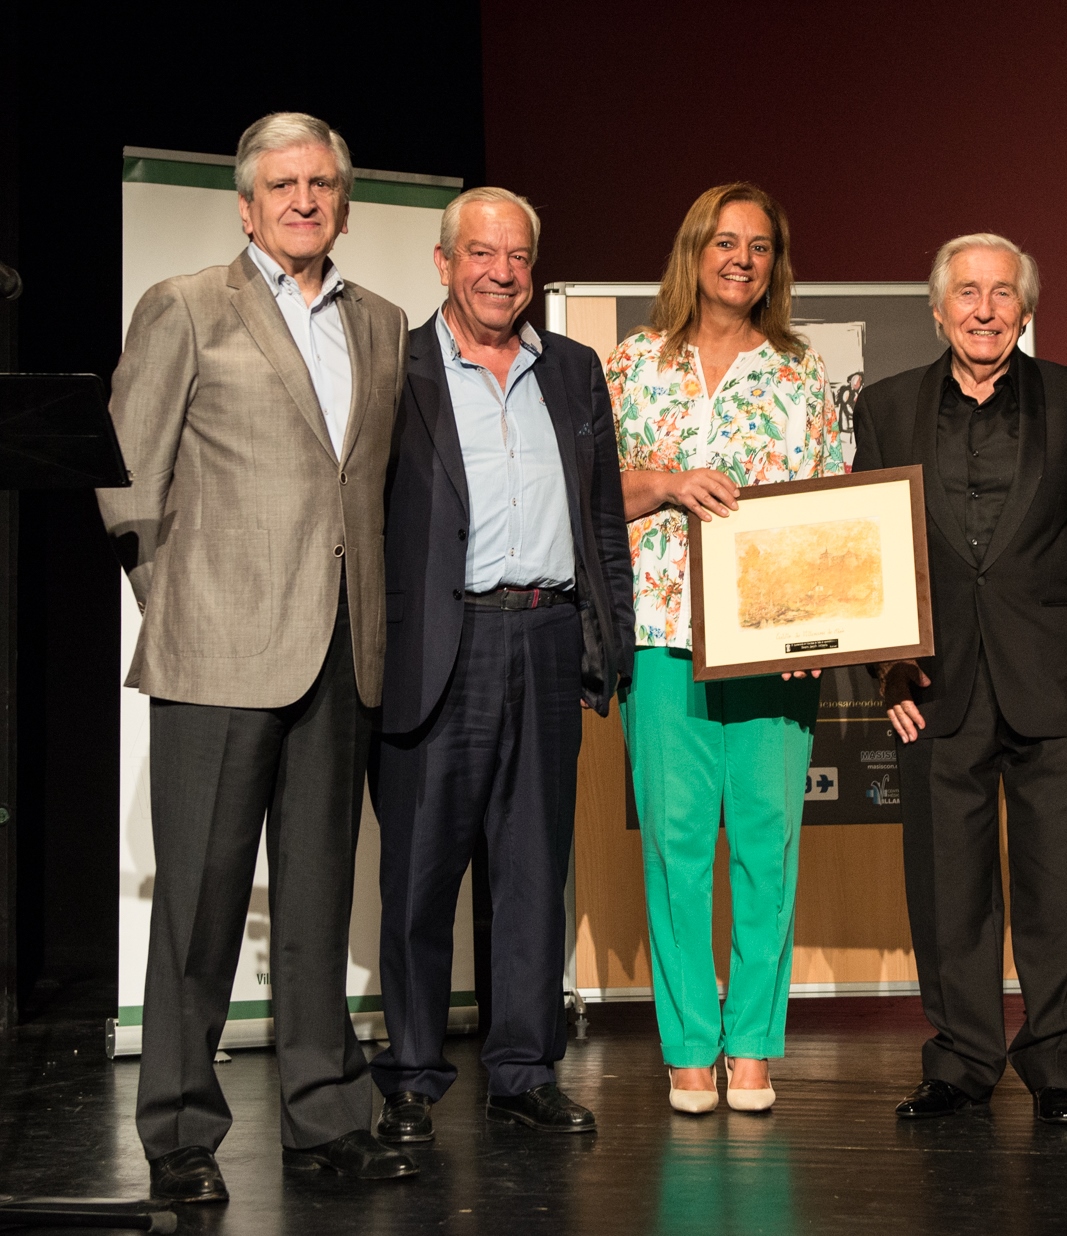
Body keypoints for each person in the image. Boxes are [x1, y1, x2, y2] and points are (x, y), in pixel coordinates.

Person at [97, 112, 416, 1202]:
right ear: (246, 206)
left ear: (344, 203)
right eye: (283, 185)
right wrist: (178, 606)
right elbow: (126, 482)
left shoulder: (381, 322)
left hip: (340, 647)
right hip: (216, 652)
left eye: (321, 183)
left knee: (320, 903)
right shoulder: (186, 305)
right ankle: (181, 1135)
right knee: (199, 906)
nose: (304, 200)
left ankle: (326, 1120)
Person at [853, 234, 1067, 1125]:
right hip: (933, 683)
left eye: (1002, 294)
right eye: (967, 293)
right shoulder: (885, 407)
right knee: (948, 887)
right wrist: (882, 662)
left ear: (1025, 310)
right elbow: (864, 549)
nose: (984, 310)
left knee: (1060, 882)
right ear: (937, 309)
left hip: (1052, 678)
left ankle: (1060, 1068)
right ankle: (961, 1063)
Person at [369, 187, 632, 1140]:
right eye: (481, 253)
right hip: (440, 643)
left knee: (532, 870)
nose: (501, 272)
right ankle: (410, 1075)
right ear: (444, 263)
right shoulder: (395, 368)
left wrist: (611, 636)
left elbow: (603, 514)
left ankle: (523, 1072)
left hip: (548, 635)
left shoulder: (573, 369)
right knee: (420, 873)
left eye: (518, 255)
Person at [605, 183, 841, 1114]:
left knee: (766, 846)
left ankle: (750, 1047)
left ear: (775, 263)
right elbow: (593, 490)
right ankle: (688, 1048)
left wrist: (818, 626)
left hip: (773, 643)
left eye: (760, 246)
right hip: (660, 632)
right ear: (694, 250)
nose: (742, 259)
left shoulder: (801, 371)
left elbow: (828, 502)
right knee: (674, 848)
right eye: (725, 241)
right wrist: (668, 482)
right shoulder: (633, 363)